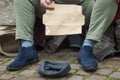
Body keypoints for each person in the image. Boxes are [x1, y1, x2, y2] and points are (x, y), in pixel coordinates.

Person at [7, 0, 118, 72]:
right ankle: (27, 48)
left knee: (110, 1)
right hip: (52, 6)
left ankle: (88, 47)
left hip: (85, 6)